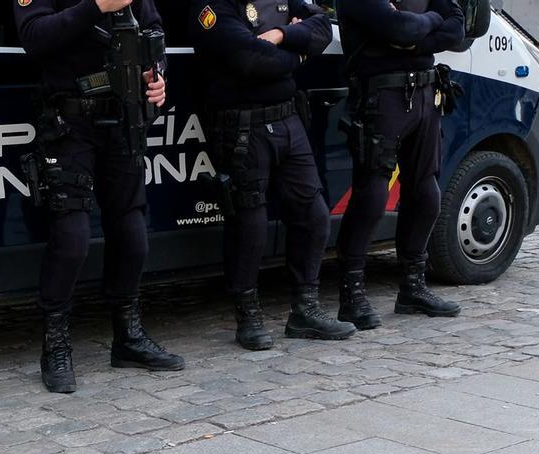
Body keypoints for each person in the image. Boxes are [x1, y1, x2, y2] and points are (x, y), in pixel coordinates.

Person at [14, 0, 185, 394]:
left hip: (123, 120)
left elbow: (154, 32)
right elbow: (34, 38)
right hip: (69, 122)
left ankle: (128, 337)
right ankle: (55, 345)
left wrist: (157, 77)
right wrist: (96, 6)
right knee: (72, 238)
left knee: (133, 234)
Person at [190, 0, 357, 350]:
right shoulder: (212, 5)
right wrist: (298, 55)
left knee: (313, 214)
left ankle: (305, 310)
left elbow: (322, 26)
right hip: (241, 127)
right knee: (249, 224)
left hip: (287, 118)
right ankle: (247, 316)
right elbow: (249, 60)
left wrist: (283, 34)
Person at [334, 0, 465, 329]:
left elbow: (457, 27)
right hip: (381, 97)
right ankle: (351, 295)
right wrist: (426, 22)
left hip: (425, 92)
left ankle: (412, 287)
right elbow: (400, 27)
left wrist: (413, 37)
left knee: (426, 193)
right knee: (372, 196)